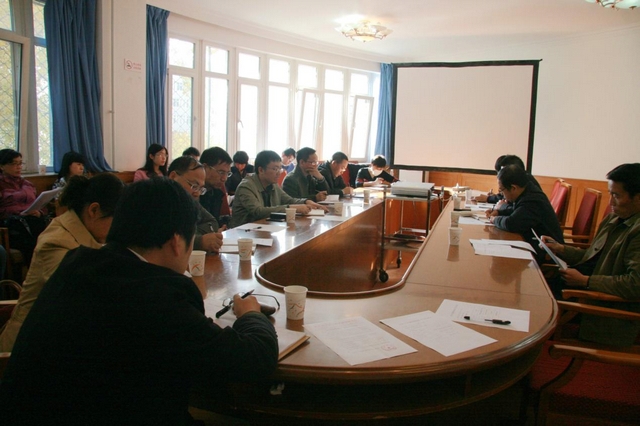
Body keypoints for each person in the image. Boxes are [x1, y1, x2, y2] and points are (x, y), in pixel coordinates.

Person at [0, 178, 278, 425]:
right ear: (177, 242)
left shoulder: (78, 263)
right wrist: (250, 315)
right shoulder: (155, 297)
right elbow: (254, 360)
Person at [0, 173, 124, 352]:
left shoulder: (82, 232)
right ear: (94, 210)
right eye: (116, 220)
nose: (118, 228)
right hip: (28, 346)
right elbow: (84, 296)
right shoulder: (56, 242)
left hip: (57, 337)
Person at [541, 163, 640, 346]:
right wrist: (561, 249)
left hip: (602, 310)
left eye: (617, 196)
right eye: (610, 194)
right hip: (585, 290)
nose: (610, 203)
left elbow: (635, 284)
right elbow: (592, 256)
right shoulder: (614, 218)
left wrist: (585, 281)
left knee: (535, 305)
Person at [486, 165, 564, 263]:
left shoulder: (532, 200)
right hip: (535, 243)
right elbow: (518, 211)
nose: (502, 194)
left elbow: (511, 223)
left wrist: (494, 219)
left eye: (502, 190)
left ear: (513, 188)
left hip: (549, 252)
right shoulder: (527, 192)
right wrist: (499, 212)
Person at [230, 150, 326, 228]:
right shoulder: (246, 186)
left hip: (266, 228)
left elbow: (289, 200)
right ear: (261, 170)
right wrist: (292, 208)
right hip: (244, 234)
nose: (279, 172)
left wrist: (306, 201)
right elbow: (258, 212)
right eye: (275, 169)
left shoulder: (273, 184)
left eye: (280, 168)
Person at [0, 149, 49, 265]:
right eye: (14, 164)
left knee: (47, 228)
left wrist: (39, 212)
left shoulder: (27, 184)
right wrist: (19, 212)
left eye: (20, 163)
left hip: (33, 220)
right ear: (2, 166)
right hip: (11, 225)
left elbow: (42, 205)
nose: (19, 167)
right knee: (31, 235)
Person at [168, 156, 223, 253]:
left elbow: (212, 222)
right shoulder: (156, 201)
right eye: (194, 185)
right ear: (173, 177)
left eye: (200, 188)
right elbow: (165, 240)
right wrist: (199, 241)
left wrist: (189, 236)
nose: (197, 193)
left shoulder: (190, 201)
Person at [476, 154, 542, 204]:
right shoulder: (524, 179)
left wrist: (489, 198)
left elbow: (512, 208)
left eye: (504, 171)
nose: (501, 174)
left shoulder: (527, 185)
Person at [199, 147, 232, 228]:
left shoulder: (217, 193)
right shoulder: (193, 192)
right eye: (221, 172)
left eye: (227, 173)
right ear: (205, 168)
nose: (224, 178)